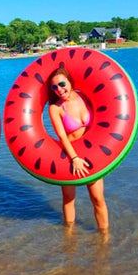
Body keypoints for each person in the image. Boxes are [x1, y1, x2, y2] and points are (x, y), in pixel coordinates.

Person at [48, 67, 109, 234]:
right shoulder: (56, 108)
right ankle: (69, 238)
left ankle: (104, 238)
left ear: (69, 81)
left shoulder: (84, 97)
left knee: (98, 199)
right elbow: (62, 136)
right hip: (68, 157)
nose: (59, 90)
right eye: (54, 87)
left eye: (62, 84)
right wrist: (74, 158)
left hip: (92, 155)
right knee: (69, 199)